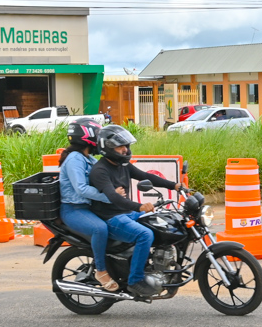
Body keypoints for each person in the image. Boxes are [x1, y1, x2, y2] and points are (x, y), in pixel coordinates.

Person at [88, 124, 184, 298]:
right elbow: (113, 197)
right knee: (144, 235)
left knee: (163, 223)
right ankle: (135, 281)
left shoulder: (122, 164)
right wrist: (138, 206)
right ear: (108, 147)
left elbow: (146, 176)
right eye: (121, 146)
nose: (125, 150)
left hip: (125, 213)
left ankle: (155, 266)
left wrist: (174, 185)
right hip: (111, 217)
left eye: (126, 146)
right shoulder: (100, 170)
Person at [57, 119, 118, 291]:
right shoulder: (75, 159)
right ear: (87, 137)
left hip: (88, 208)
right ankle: (101, 271)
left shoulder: (88, 158)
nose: (101, 140)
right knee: (99, 229)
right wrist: (109, 198)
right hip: (73, 209)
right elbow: (81, 189)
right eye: (98, 135)